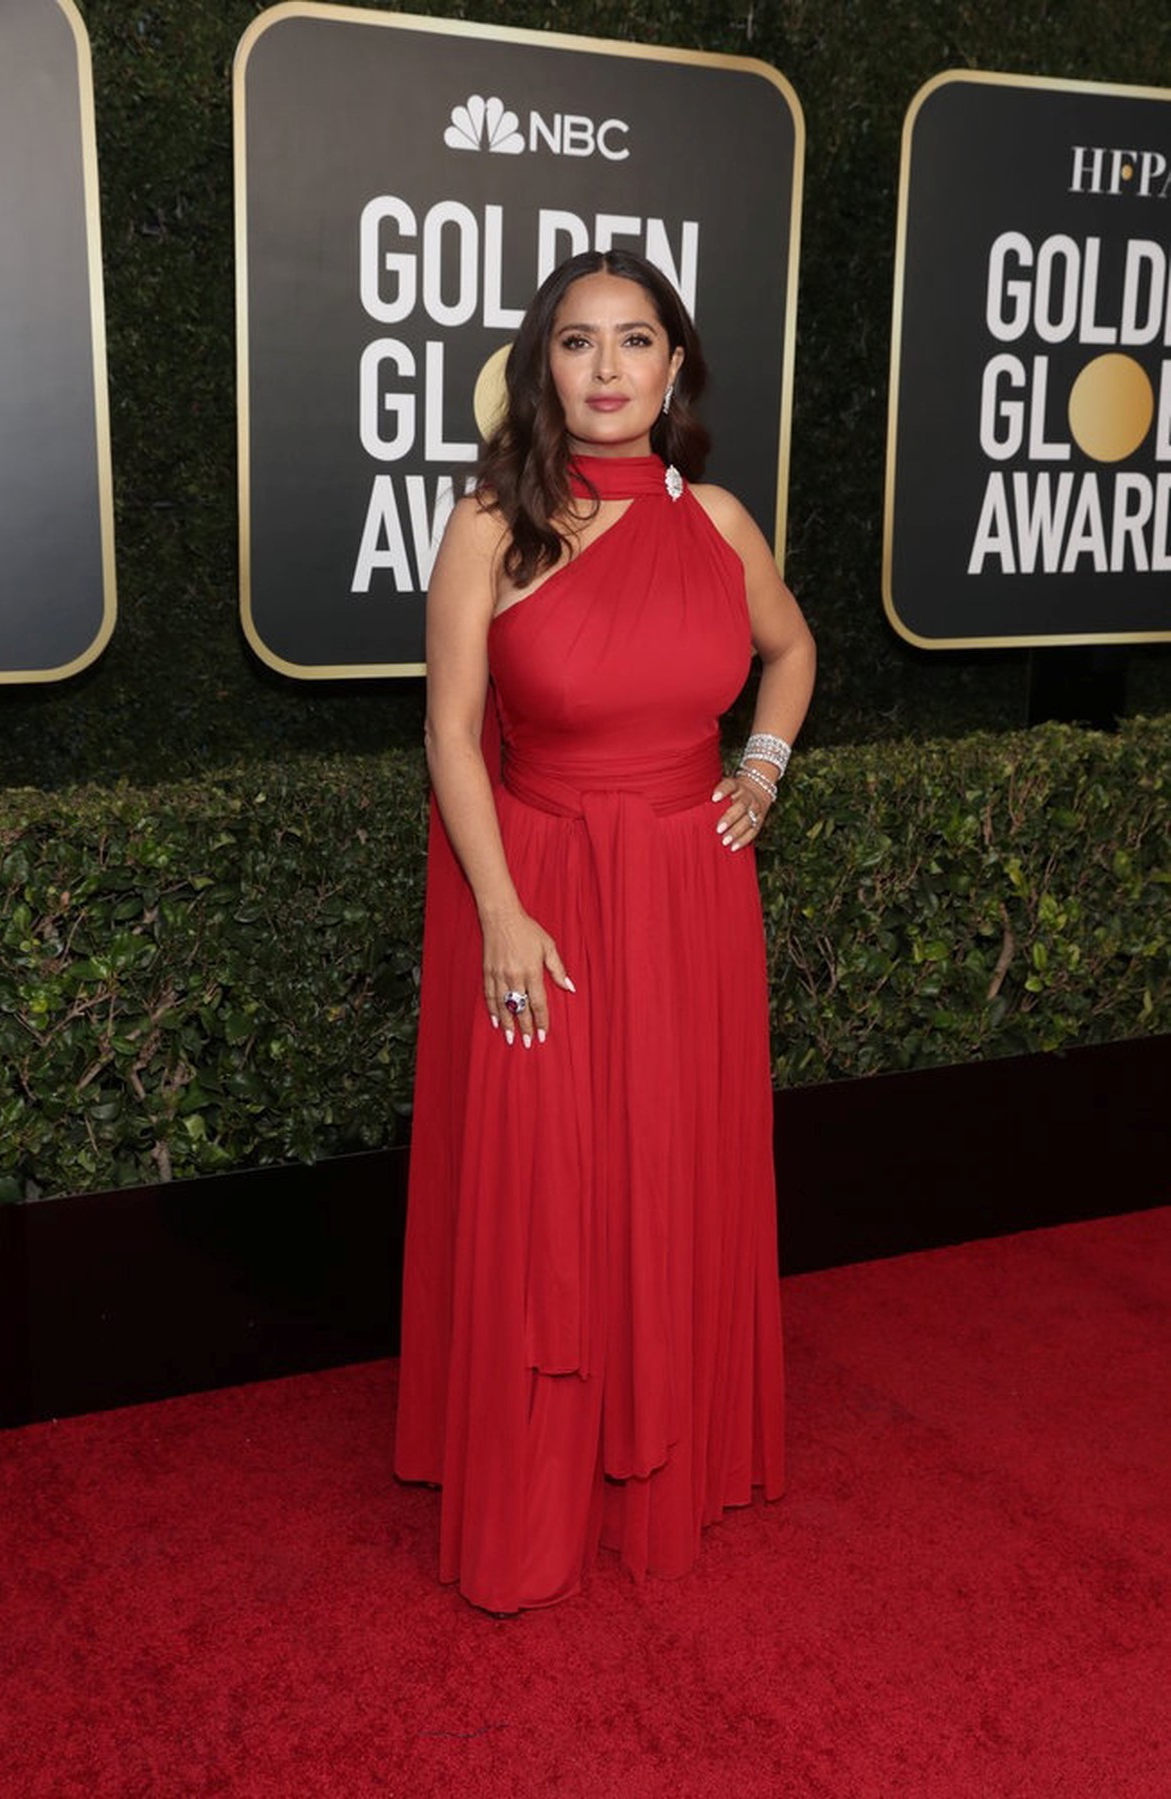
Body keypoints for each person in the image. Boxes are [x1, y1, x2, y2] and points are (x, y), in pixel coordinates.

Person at [394, 248, 815, 1613]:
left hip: (692, 896)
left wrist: (762, 769)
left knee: (670, 1161)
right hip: (546, 898)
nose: (609, 367)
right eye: (578, 342)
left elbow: (791, 651)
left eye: (637, 340)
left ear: (675, 367)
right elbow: (450, 734)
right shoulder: (490, 525)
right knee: (549, 1189)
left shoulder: (722, 522)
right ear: (543, 369)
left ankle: (665, 1452)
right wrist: (501, 912)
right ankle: (535, 1490)